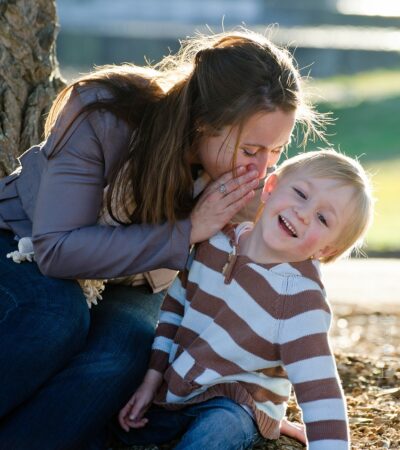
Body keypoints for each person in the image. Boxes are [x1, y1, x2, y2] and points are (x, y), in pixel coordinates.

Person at [0, 30, 322, 449]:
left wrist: (256, 401)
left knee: (126, 352)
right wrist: (189, 230)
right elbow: (56, 248)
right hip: (23, 244)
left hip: (138, 279)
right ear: (204, 122)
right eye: (250, 151)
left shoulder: (245, 184)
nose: (261, 169)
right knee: (55, 317)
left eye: (275, 151)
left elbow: (265, 294)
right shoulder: (103, 114)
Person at [116, 149, 374, 450]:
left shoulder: (299, 300)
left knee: (221, 428)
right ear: (270, 187)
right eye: (301, 193)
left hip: (239, 403)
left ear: (326, 251)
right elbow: (174, 309)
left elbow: (320, 393)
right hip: (176, 388)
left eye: (322, 218)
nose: (303, 214)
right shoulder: (216, 242)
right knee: (116, 419)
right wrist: (152, 377)